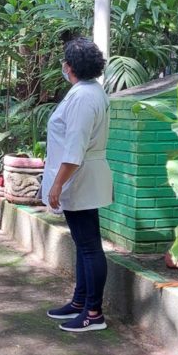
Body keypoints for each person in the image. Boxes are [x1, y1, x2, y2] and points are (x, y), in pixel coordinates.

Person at [42, 37, 113, 332]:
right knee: (84, 244)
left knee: (89, 247)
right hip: (81, 175)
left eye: (64, 61)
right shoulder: (87, 91)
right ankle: (80, 300)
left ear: (69, 66)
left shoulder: (84, 97)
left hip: (79, 177)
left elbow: (75, 149)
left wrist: (57, 185)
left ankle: (93, 313)